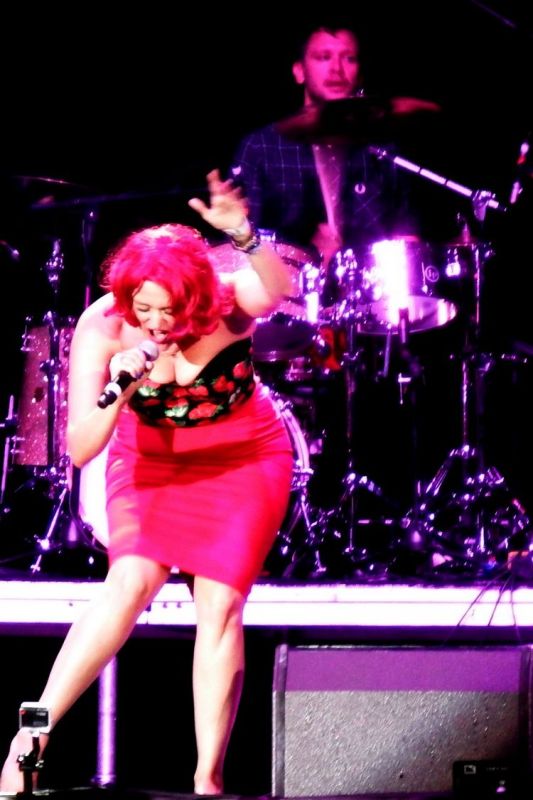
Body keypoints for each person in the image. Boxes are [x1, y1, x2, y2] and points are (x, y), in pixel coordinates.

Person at [0, 169, 294, 794]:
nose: (158, 323)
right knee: (127, 584)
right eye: (146, 309)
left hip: (243, 460)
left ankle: (207, 780)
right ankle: (32, 735)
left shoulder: (226, 302)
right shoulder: (104, 326)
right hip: (149, 461)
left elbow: (277, 287)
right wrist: (121, 387)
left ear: (196, 298)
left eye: (170, 310)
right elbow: (81, 447)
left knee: (220, 604)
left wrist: (244, 235)